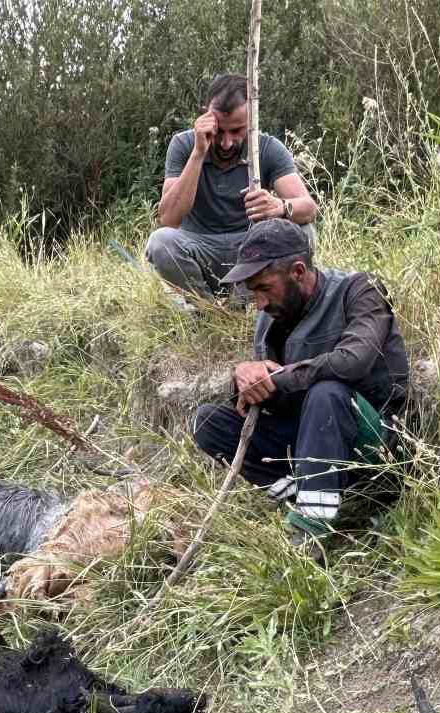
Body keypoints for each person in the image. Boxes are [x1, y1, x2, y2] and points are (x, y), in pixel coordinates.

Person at [190, 218, 410, 539]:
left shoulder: (360, 290)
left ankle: (310, 531)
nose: (259, 303)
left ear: (297, 271)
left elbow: (352, 362)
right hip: (310, 443)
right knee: (207, 421)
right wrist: (244, 379)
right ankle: (306, 490)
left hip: (374, 449)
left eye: (265, 288)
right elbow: (272, 394)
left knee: (327, 393)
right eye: (253, 292)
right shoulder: (271, 317)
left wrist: (277, 378)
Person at [145, 72, 317, 295]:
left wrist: (280, 207)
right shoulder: (184, 145)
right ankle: (204, 310)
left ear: (251, 120)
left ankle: (244, 303)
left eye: (236, 131)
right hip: (199, 249)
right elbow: (168, 219)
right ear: (205, 116)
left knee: (303, 231)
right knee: (160, 242)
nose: (226, 143)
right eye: (219, 131)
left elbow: (309, 209)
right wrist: (198, 153)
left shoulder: (268, 148)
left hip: (252, 251)